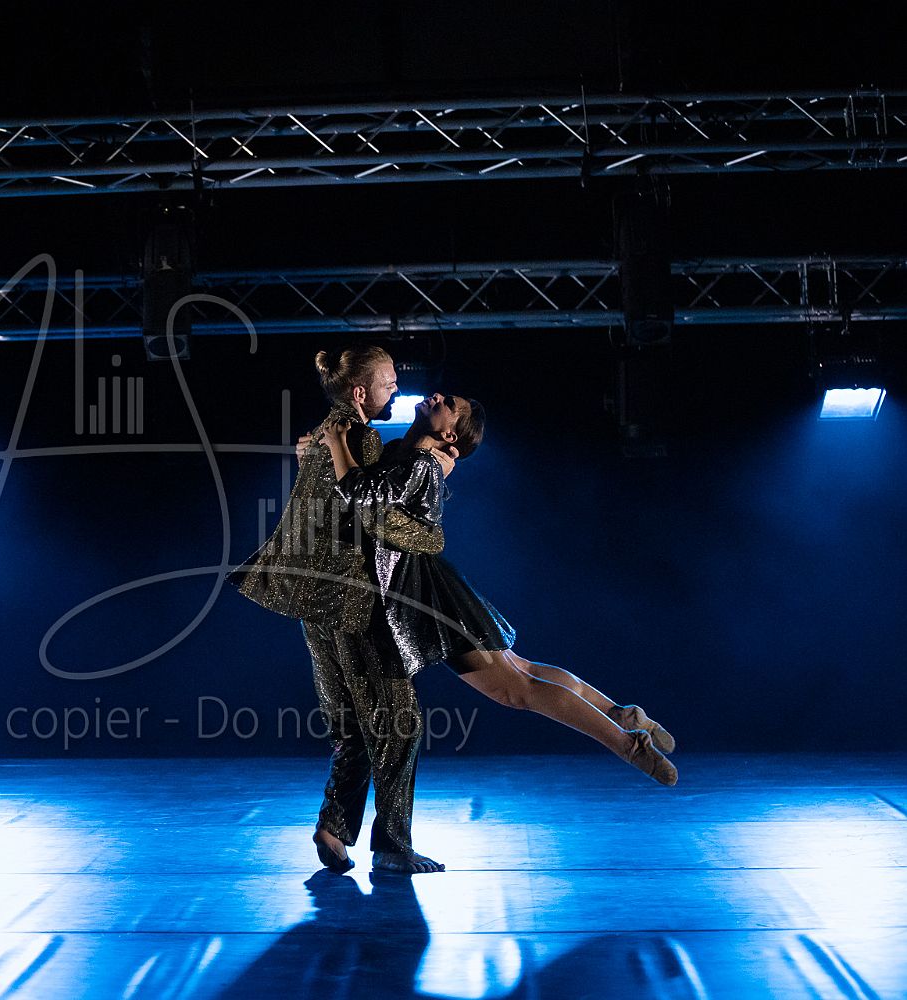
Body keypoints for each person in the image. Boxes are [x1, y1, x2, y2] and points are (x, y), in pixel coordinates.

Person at [317, 392, 679, 788]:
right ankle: (620, 714)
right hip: (430, 585)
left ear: (450, 435)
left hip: (423, 591)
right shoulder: (407, 454)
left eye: (448, 403)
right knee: (523, 670)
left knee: (516, 690)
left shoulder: (423, 462)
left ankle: (629, 744)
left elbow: (360, 493)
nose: (436, 396)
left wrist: (335, 443)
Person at [229, 345, 453, 876]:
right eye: (389, 382)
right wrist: (432, 535)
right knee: (399, 722)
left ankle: (334, 827)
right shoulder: (360, 441)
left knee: (352, 724)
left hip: (314, 603)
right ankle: (392, 845)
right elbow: (373, 515)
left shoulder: (320, 437)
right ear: (359, 392)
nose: (395, 390)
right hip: (352, 603)